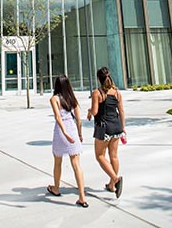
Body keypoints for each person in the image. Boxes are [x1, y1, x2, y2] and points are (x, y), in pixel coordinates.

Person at [47, 74, 88, 208]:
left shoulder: (54, 99)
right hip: (73, 130)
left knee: (57, 161)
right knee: (76, 164)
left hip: (61, 131)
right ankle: (82, 197)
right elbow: (79, 119)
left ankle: (56, 188)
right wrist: (79, 134)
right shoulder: (72, 98)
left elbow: (58, 117)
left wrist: (64, 132)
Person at [87, 67, 126, 198]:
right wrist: (123, 127)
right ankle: (111, 185)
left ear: (99, 78)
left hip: (104, 128)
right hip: (116, 126)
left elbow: (95, 112)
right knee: (113, 156)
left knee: (99, 156)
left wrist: (89, 111)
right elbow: (121, 111)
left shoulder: (97, 93)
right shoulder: (116, 92)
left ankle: (115, 179)